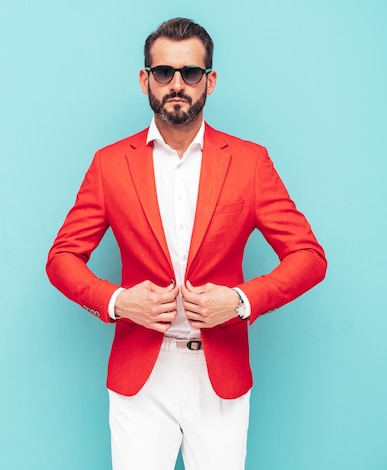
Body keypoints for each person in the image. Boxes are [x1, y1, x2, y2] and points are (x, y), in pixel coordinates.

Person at [45, 17, 326, 470]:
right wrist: (117, 301)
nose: (177, 84)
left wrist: (239, 300)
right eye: (164, 73)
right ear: (145, 80)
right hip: (140, 375)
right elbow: (61, 259)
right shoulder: (110, 165)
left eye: (190, 73)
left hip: (220, 376)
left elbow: (309, 257)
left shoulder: (250, 163)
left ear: (209, 81)